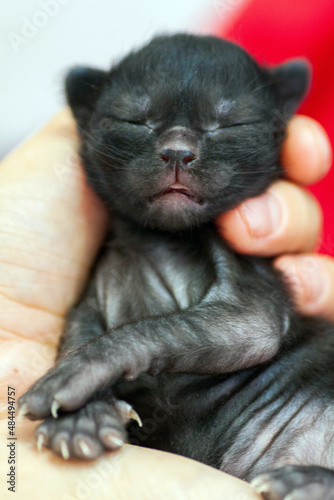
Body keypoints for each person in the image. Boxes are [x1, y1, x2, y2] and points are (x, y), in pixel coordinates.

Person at [0, 108, 332, 499]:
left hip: (300, 420)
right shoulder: (98, 262)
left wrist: (111, 357)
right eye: (135, 121)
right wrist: (79, 403)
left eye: (225, 129)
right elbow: (74, 358)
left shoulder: (229, 237)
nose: (178, 146)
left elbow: (252, 329)